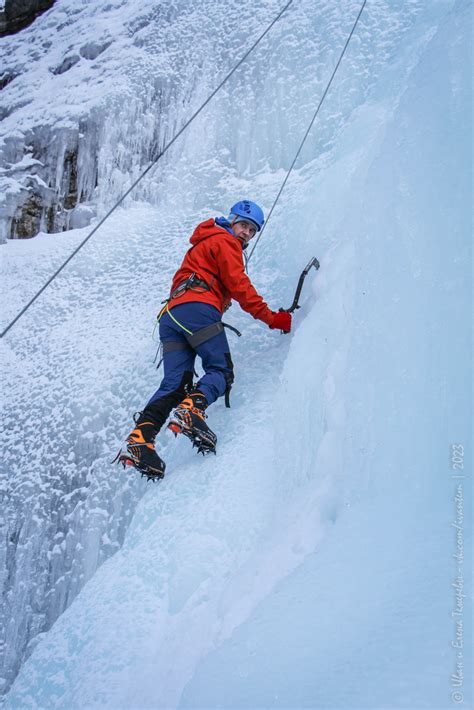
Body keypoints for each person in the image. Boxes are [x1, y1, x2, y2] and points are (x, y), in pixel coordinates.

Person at [115, 199, 292, 480]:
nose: (246, 233)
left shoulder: (205, 241)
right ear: (231, 221)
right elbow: (240, 286)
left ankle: (140, 440)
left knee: (176, 384)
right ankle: (190, 411)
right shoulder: (224, 241)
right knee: (221, 371)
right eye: (244, 225)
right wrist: (273, 318)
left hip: (172, 316)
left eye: (252, 230)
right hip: (197, 309)